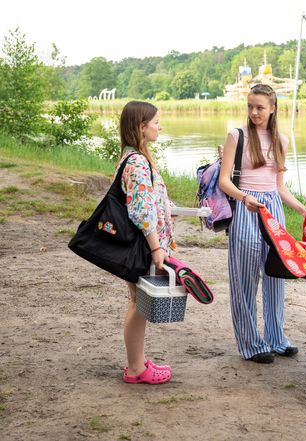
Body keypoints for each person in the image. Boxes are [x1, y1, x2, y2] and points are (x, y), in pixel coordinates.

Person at [219, 84, 306, 364]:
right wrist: (244, 198)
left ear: (273, 108)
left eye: (259, 107)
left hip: (273, 210)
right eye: (250, 106)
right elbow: (224, 181)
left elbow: (279, 187)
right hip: (246, 208)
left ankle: (276, 338)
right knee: (244, 280)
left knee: (275, 276)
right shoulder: (237, 136)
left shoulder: (281, 140)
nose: (254, 112)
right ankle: (250, 344)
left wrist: (303, 208)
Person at [118, 101, 174, 384]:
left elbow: (150, 201)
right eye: (155, 122)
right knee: (138, 303)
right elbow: (141, 210)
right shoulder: (137, 162)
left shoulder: (133, 156)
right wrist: (156, 248)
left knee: (137, 302)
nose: (159, 126)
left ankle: (137, 362)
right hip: (142, 245)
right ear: (142, 126)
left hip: (141, 243)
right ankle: (136, 368)